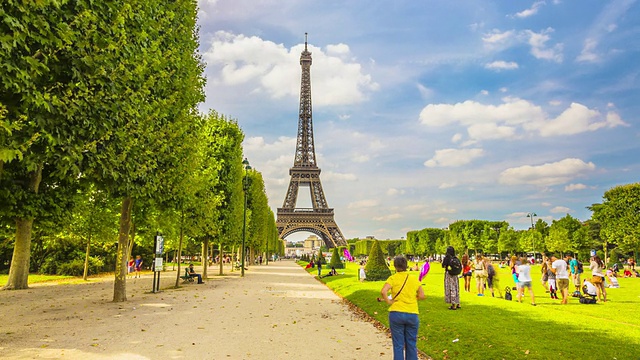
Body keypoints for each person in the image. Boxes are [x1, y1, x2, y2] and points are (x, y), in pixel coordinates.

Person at [380, 256, 426, 360]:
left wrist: (389, 301)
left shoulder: (393, 278)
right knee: (411, 343)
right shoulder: (413, 279)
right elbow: (422, 296)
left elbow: (383, 291)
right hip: (412, 312)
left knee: (398, 344)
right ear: (406, 265)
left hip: (396, 312)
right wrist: (413, 297)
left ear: (395, 266)